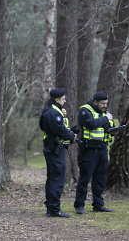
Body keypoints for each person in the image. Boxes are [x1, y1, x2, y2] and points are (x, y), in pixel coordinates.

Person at [74, 91, 114, 215]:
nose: (105, 106)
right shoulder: (85, 110)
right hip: (88, 150)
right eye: (102, 103)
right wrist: (105, 118)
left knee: (100, 179)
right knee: (85, 179)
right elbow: (91, 125)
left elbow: (107, 127)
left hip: (102, 149)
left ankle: (98, 204)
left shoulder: (105, 112)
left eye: (106, 103)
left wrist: (114, 130)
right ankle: (79, 205)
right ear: (95, 102)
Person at [39, 88, 76, 218]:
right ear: (57, 100)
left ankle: (51, 207)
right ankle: (54, 209)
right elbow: (59, 130)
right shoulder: (53, 113)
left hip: (53, 147)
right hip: (54, 149)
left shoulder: (52, 111)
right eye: (63, 99)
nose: (65, 101)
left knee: (53, 178)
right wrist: (72, 135)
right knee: (57, 179)